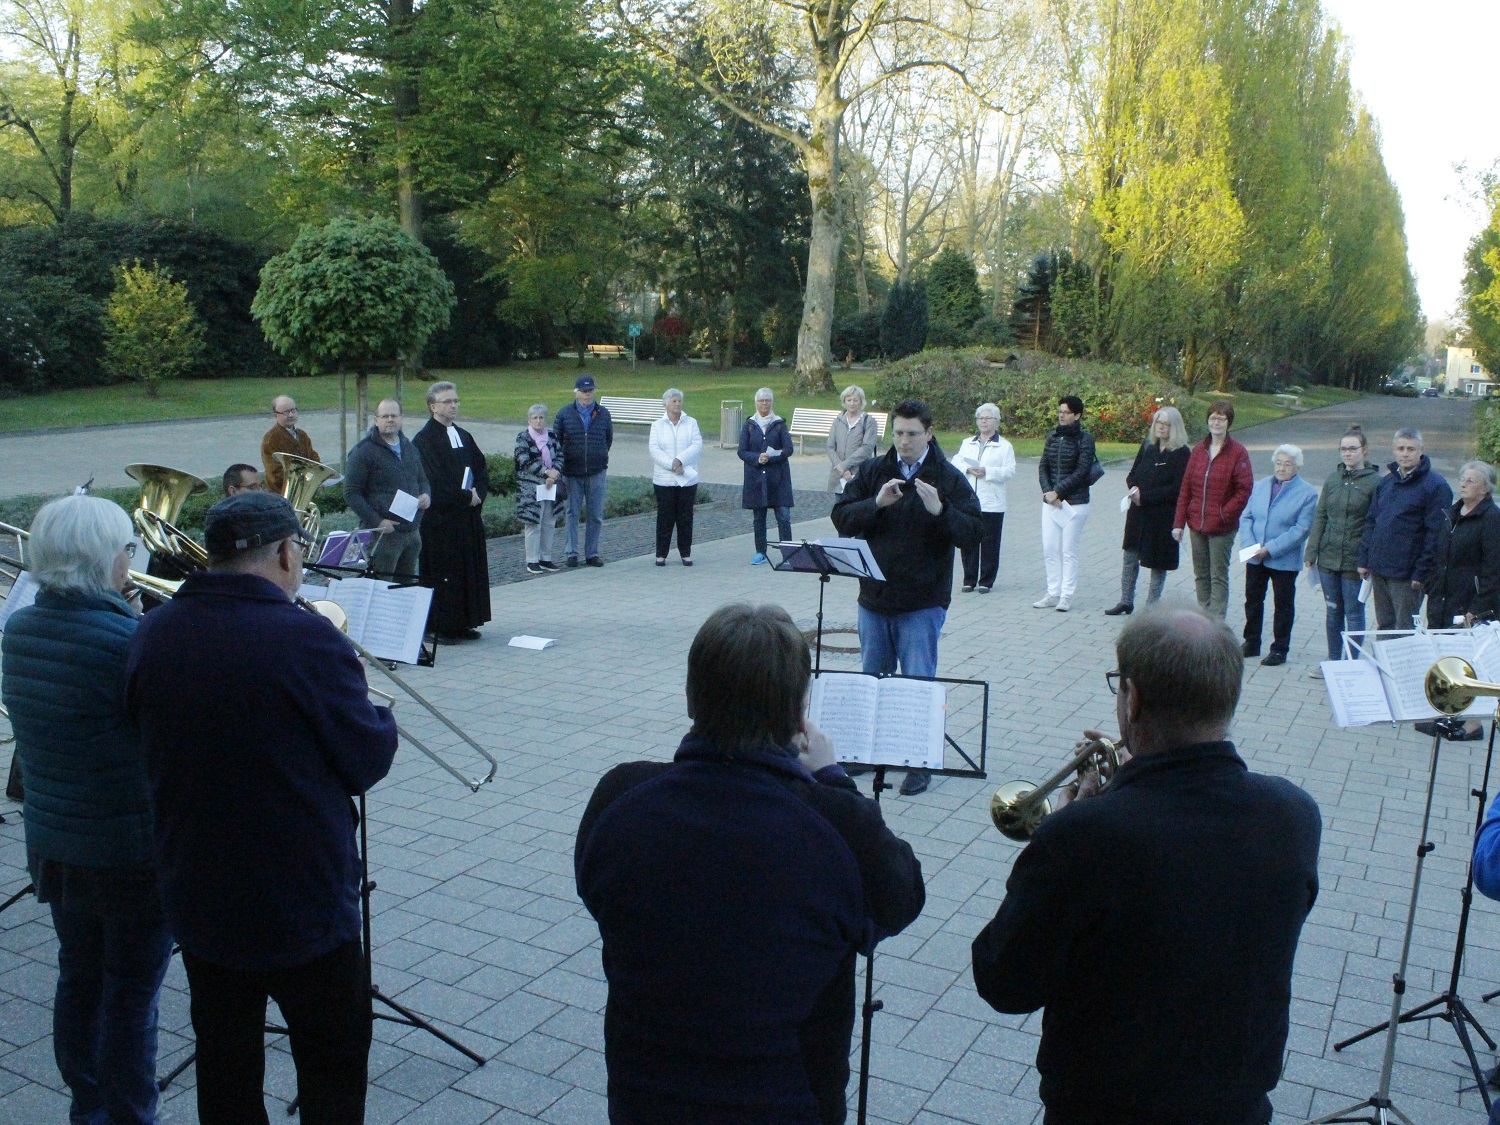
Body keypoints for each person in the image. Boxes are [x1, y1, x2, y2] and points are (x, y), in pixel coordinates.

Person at [575, 603, 925, 1124]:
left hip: (643, 1095)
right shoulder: (835, 823)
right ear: (798, 712)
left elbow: (595, 891)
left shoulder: (620, 794)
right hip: (786, 1101)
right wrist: (832, 778)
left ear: (693, 697)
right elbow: (903, 898)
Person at [971, 606, 1322, 1125]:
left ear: (1132, 699)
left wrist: (1062, 835)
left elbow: (1004, 981)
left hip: (1104, 1107)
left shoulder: (1083, 836)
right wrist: (1135, 788)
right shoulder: (1294, 813)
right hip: (1236, 1104)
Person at [125, 492, 397, 1125]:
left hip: (199, 890)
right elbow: (365, 761)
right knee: (331, 1066)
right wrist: (379, 717)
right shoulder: (303, 636)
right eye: (298, 551)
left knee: (225, 1062)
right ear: (283, 552)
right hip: (300, 897)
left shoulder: (152, 631)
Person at [1, 495, 172, 1125]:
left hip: (55, 842)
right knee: (131, 998)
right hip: (126, 849)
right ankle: (128, 1114)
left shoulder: (19, 629)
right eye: (127, 550)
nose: (133, 562)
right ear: (104, 560)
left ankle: (87, 1106)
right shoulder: (125, 640)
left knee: (80, 978)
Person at [831, 398, 983, 796]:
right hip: (875, 598)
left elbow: (973, 532)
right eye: (898, 433)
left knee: (917, 683)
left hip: (922, 601)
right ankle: (867, 752)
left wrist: (941, 511)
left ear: (929, 434)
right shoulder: (875, 471)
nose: (904, 441)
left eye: (913, 433)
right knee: (872, 679)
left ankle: (918, 759)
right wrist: (876, 504)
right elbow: (842, 518)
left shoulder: (947, 477)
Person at [1414, 461, 1500, 743]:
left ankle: (1473, 725)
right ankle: (1447, 713)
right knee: (1444, 655)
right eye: (1462, 478)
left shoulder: (1491, 520)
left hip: (1469, 603)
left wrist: (1477, 608)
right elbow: (1441, 556)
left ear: (1486, 489)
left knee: (1468, 660)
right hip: (1442, 596)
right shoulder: (1453, 513)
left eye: (1471, 480)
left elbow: (1493, 570)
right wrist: (1428, 584)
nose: (1463, 483)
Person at [412, 381, 491, 641]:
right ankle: (438, 626)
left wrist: (478, 493)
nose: (454, 405)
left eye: (456, 401)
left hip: (465, 518)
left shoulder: (463, 435)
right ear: (433, 406)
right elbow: (433, 480)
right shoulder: (424, 440)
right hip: (441, 522)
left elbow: (480, 466)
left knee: (466, 570)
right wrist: (465, 496)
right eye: (448, 401)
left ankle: (463, 621)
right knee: (443, 572)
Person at [1303, 426, 1380, 677]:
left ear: (1364, 450)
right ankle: (1332, 661)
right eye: (1343, 449)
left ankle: (1350, 665)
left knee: (1354, 612)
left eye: (1352, 449)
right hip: (1328, 557)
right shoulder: (1333, 479)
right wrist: (1311, 551)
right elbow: (1321, 515)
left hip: (1354, 561)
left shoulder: (1375, 483)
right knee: (1333, 610)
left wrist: (1367, 558)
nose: (1347, 453)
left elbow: (1375, 523)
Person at [1358, 427, 1452, 631]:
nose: (1405, 453)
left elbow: (1436, 535)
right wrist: (1364, 559)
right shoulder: (1386, 482)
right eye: (1400, 448)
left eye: (1411, 448)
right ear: (1394, 450)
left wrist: (1421, 573)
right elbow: (1372, 521)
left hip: (1408, 575)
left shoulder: (1436, 486)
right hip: (1380, 568)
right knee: (1384, 625)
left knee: (1404, 629)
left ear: (1421, 450)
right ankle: (1382, 664)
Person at [1172, 399, 1254, 619]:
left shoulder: (1238, 452)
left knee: (1218, 575)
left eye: (1221, 418)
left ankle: (1216, 622)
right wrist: (1179, 522)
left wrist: (1223, 515)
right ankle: (1202, 617)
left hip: (1222, 527)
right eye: (1213, 418)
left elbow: (1244, 490)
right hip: (1196, 523)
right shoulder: (1199, 450)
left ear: (1229, 422)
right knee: (1201, 575)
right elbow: (1186, 488)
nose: (1216, 422)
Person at [1238, 444, 1318, 667]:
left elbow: (1301, 529)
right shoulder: (1261, 485)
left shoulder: (1308, 493)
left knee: (1282, 605)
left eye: (1288, 464)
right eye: (1279, 463)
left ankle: (1279, 649)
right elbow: (1247, 517)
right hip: (1255, 555)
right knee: (1253, 599)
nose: (1282, 468)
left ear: (1297, 467)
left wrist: (1270, 549)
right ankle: (1251, 641)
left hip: (1283, 559)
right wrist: (1250, 545)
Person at [1107, 406, 1189, 615]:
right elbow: (1133, 474)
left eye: (1166, 424)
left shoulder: (1182, 453)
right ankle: (1126, 600)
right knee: (1130, 556)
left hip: (1162, 515)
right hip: (1138, 512)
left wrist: (1147, 497)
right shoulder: (1147, 446)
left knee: (1157, 561)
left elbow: (1177, 488)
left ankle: (1151, 607)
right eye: (1158, 423)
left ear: (1175, 427)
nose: (1161, 427)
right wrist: (1134, 488)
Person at [343, 397, 432, 577]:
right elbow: (351, 493)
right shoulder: (363, 452)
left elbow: (422, 479)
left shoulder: (410, 447)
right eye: (385, 416)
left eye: (394, 415)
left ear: (401, 418)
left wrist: (426, 495)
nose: (390, 419)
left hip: (412, 533)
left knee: (406, 589)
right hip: (383, 535)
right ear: (376, 420)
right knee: (381, 588)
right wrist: (378, 522)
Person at [1033, 395, 1097, 612]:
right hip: (1051, 501)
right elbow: (1043, 466)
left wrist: (1059, 491)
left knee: (1068, 549)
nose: (1061, 415)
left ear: (1077, 415)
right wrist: (1048, 491)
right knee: (1049, 547)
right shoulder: (1052, 436)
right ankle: (1053, 592)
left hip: (1075, 502)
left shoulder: (1085, 439)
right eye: (1060, 411)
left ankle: (1066, 595)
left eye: (1066, 412)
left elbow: (1082, 471)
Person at [552, 374, 613, 567]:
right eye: (583, 391)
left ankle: (592, 553)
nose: (587, 395)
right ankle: (571, 552)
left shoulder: (603, 413)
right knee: (572, 512)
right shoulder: (564, 414)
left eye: (590, 391)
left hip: (596, 471)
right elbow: (556, 442)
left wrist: (599, 455)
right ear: (576, 393)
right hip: (571, 472)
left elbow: (608, 439)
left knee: (595, 514)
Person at [954, 402, 1016, 593]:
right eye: (981, 418)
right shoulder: (967, 443)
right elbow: (955, 462)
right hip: (969, 500)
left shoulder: (1004, 446)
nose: (984, 422)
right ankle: (969, 579)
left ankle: (986, 581)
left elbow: (1009, 471)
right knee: (969, 540)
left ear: (996, 422)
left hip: (992, 501)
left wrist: (987, 472)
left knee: (990, 543)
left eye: (988, 418)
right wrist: (968, 469)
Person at [739, 388, 795, 565]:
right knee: (759, 517)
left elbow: (788, 449)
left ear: (772, 403)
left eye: (768, 400)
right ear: (756, 403)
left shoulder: (779, 424)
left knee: (783, 516)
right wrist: (757, 458)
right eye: (761, 400)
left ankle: (789, 553)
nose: (764, 403)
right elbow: (742, 451)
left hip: (778, 478)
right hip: (756, 478)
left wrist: (771, 456)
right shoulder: (749, 425)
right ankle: (760, 552)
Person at [649, 388, 703, 566]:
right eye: (673, 401)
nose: (677, 404)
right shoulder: (657, 425)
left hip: (687, 478)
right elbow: (655, 450)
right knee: (665, 517)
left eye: (679, 401)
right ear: (665, 404)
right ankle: (661, 554)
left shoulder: (691, 422)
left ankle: (685, 553)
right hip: (664, 479)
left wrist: (680, 460)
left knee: (685, 517)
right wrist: (672, 464)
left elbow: (696, 445)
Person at [515, 404, 564, 575]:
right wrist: (545, 473)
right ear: (529, 420)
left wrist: (553, 474)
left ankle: (545, 557)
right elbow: (524, 461)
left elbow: (559, 455)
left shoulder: (551, 435)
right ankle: (532, 560)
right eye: (534, 417)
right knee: (533, 524)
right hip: (531, 487)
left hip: (551, 485)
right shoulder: (523, 437)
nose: (538, 420)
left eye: (541, 417)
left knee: (549, 522)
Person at [260, 395, 321, 495]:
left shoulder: (302, 435)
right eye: (285, 412)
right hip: (281, 495)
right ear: (275, 415)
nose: (291, 415)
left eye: (293, 410)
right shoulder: (271, 439)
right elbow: (275, 474)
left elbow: (313, 459)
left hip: (303, 491)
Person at [826, 384, 879, 493]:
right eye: (849, 400)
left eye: (855, 400)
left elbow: (867, 448)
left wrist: (846, 465)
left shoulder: (869, 421)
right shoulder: (838, 420)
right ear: (844, 401)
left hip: (859, 473)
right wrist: (842, 468)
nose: (852, 403)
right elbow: (830, 447)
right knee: (836, 507)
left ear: (861, 402)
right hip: (838, 474)